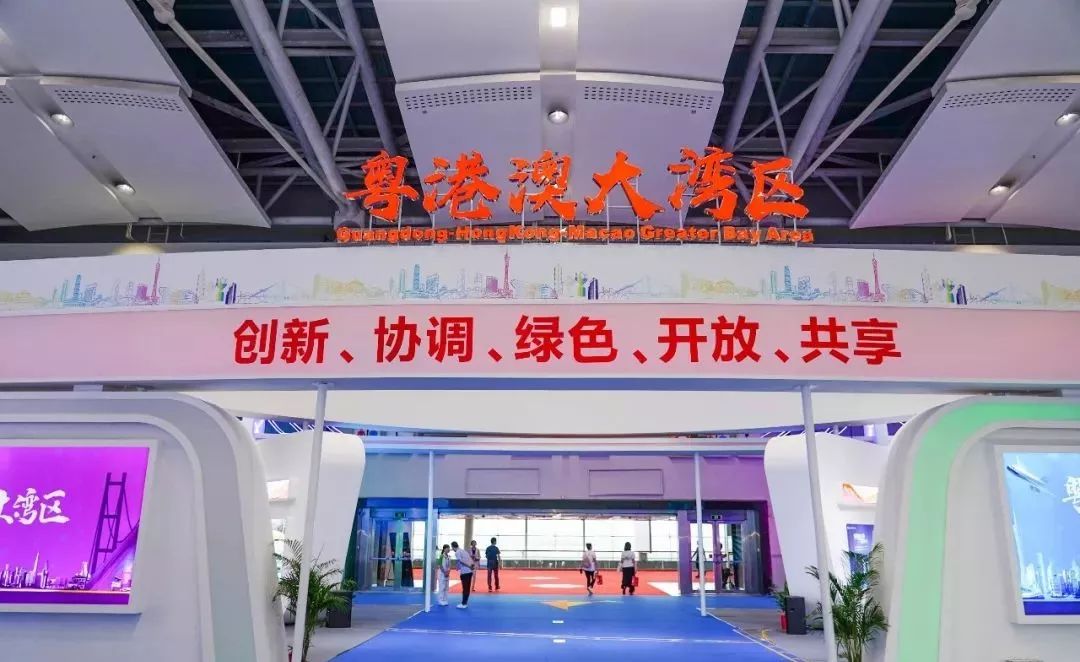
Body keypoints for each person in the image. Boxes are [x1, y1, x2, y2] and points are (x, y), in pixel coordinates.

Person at [451, 541, 474, 608]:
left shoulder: (457, 552)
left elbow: (461, 561)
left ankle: (463, 604)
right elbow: (470, 559)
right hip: (469, 572)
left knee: (465, 588)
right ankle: (465, 603)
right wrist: (471, 566)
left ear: (453, 547)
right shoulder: (464, 551)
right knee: (467, 588)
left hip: (465, 572)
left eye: (452, 548)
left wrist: (468, 566)